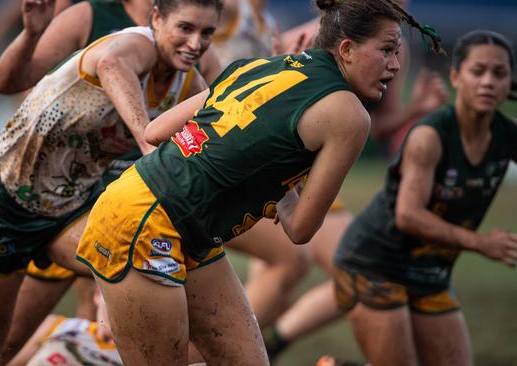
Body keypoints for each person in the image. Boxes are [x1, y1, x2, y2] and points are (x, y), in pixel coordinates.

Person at [75, 0, 441, 363]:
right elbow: (299, 229)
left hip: (165, 216)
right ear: (346, 49)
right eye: (387, 50)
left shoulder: (259, 66)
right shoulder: (350, 116)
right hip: (143, 222)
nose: (395, 64)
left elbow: (155, 132)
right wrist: (280, 183)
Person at [0, 0, 219, 363]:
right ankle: (2, 336)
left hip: (71, 210)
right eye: (186, 29)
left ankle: (98, 330)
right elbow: (111, 63)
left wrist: (280, 193)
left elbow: (222, 128)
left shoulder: (188, 80)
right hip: (4, 199)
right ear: (157, 18)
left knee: (141, 254)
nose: (196, 43)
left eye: (207, 33)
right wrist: (146, 138)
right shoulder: (133, 41)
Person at [261, 0, 449, 357]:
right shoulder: (299, 40)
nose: (391, 61)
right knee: (366, 271)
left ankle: (258, 347)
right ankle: (257, 346)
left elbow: (371, 126)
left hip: (310, 182)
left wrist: (415, 110)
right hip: (285, 181)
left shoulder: (394, 48)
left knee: (286, 281)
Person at [333, 29, 517, 366]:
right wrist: (481, 243)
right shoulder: (430, 136)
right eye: (478, 72)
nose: (489, 82)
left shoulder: (507, 135)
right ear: (456, 77)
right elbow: (408, 215)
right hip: (375, 265)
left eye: (499, 73)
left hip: (430, 272)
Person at [0, 287, 121, 366]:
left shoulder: (141, 357)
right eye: (113, 296)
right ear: (97, 294)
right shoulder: (58, 326)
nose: (119, 308)